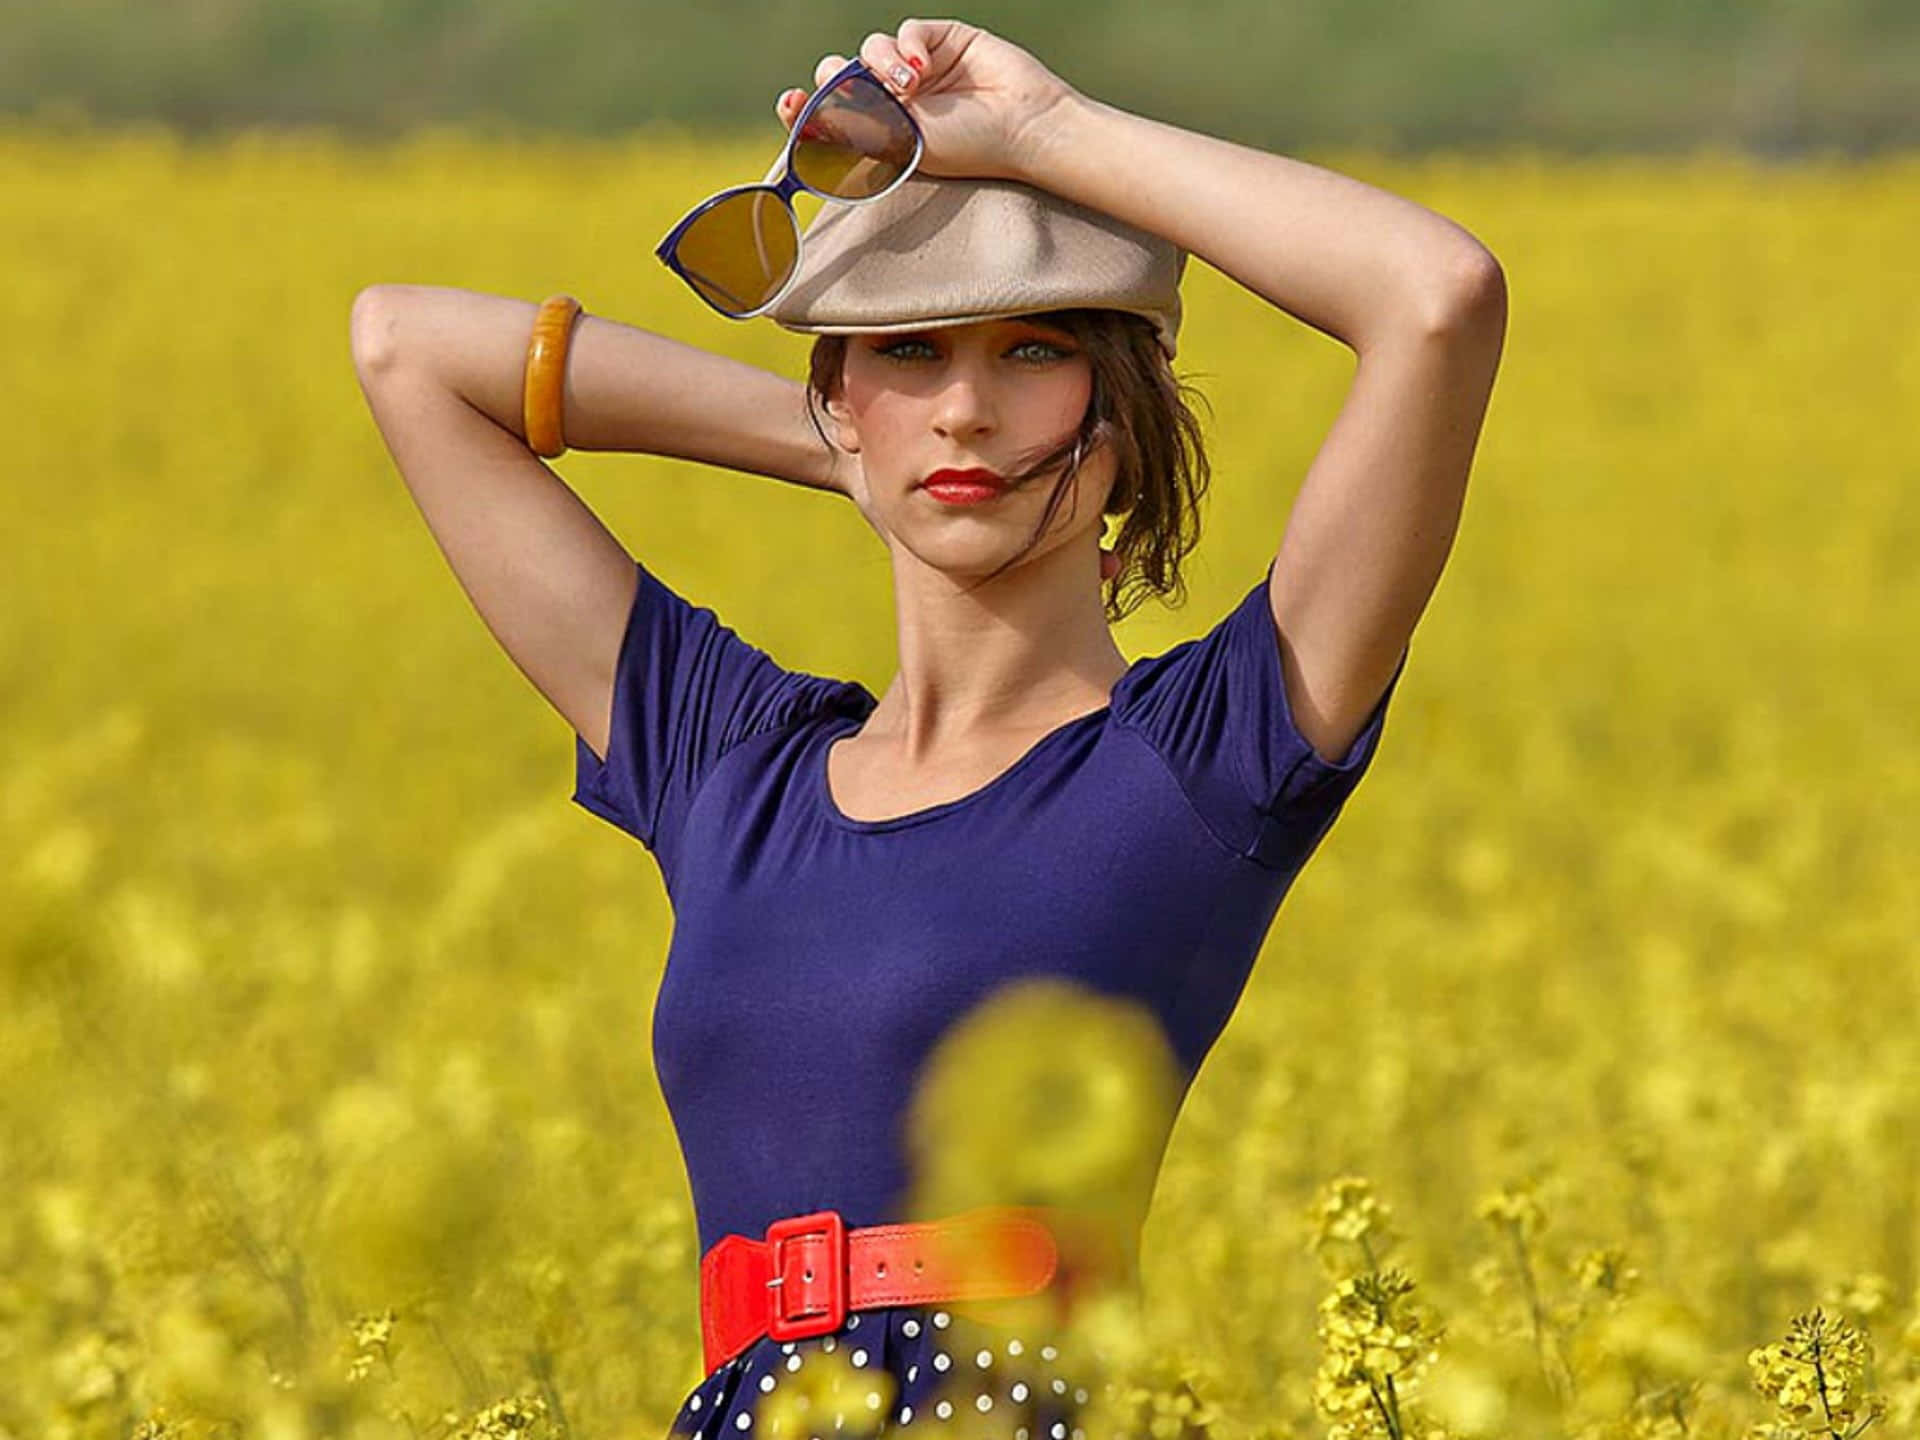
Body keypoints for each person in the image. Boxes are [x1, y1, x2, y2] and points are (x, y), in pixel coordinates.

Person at [349, 16, 1505, 1438]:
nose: (963, 406)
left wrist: (1040, 134)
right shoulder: (728, 767)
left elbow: (1437, 297)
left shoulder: (1204, 762)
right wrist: (850, 452)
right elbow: (405, 348)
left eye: (1031, 352)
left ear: (1124, 417)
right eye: (907, 351)